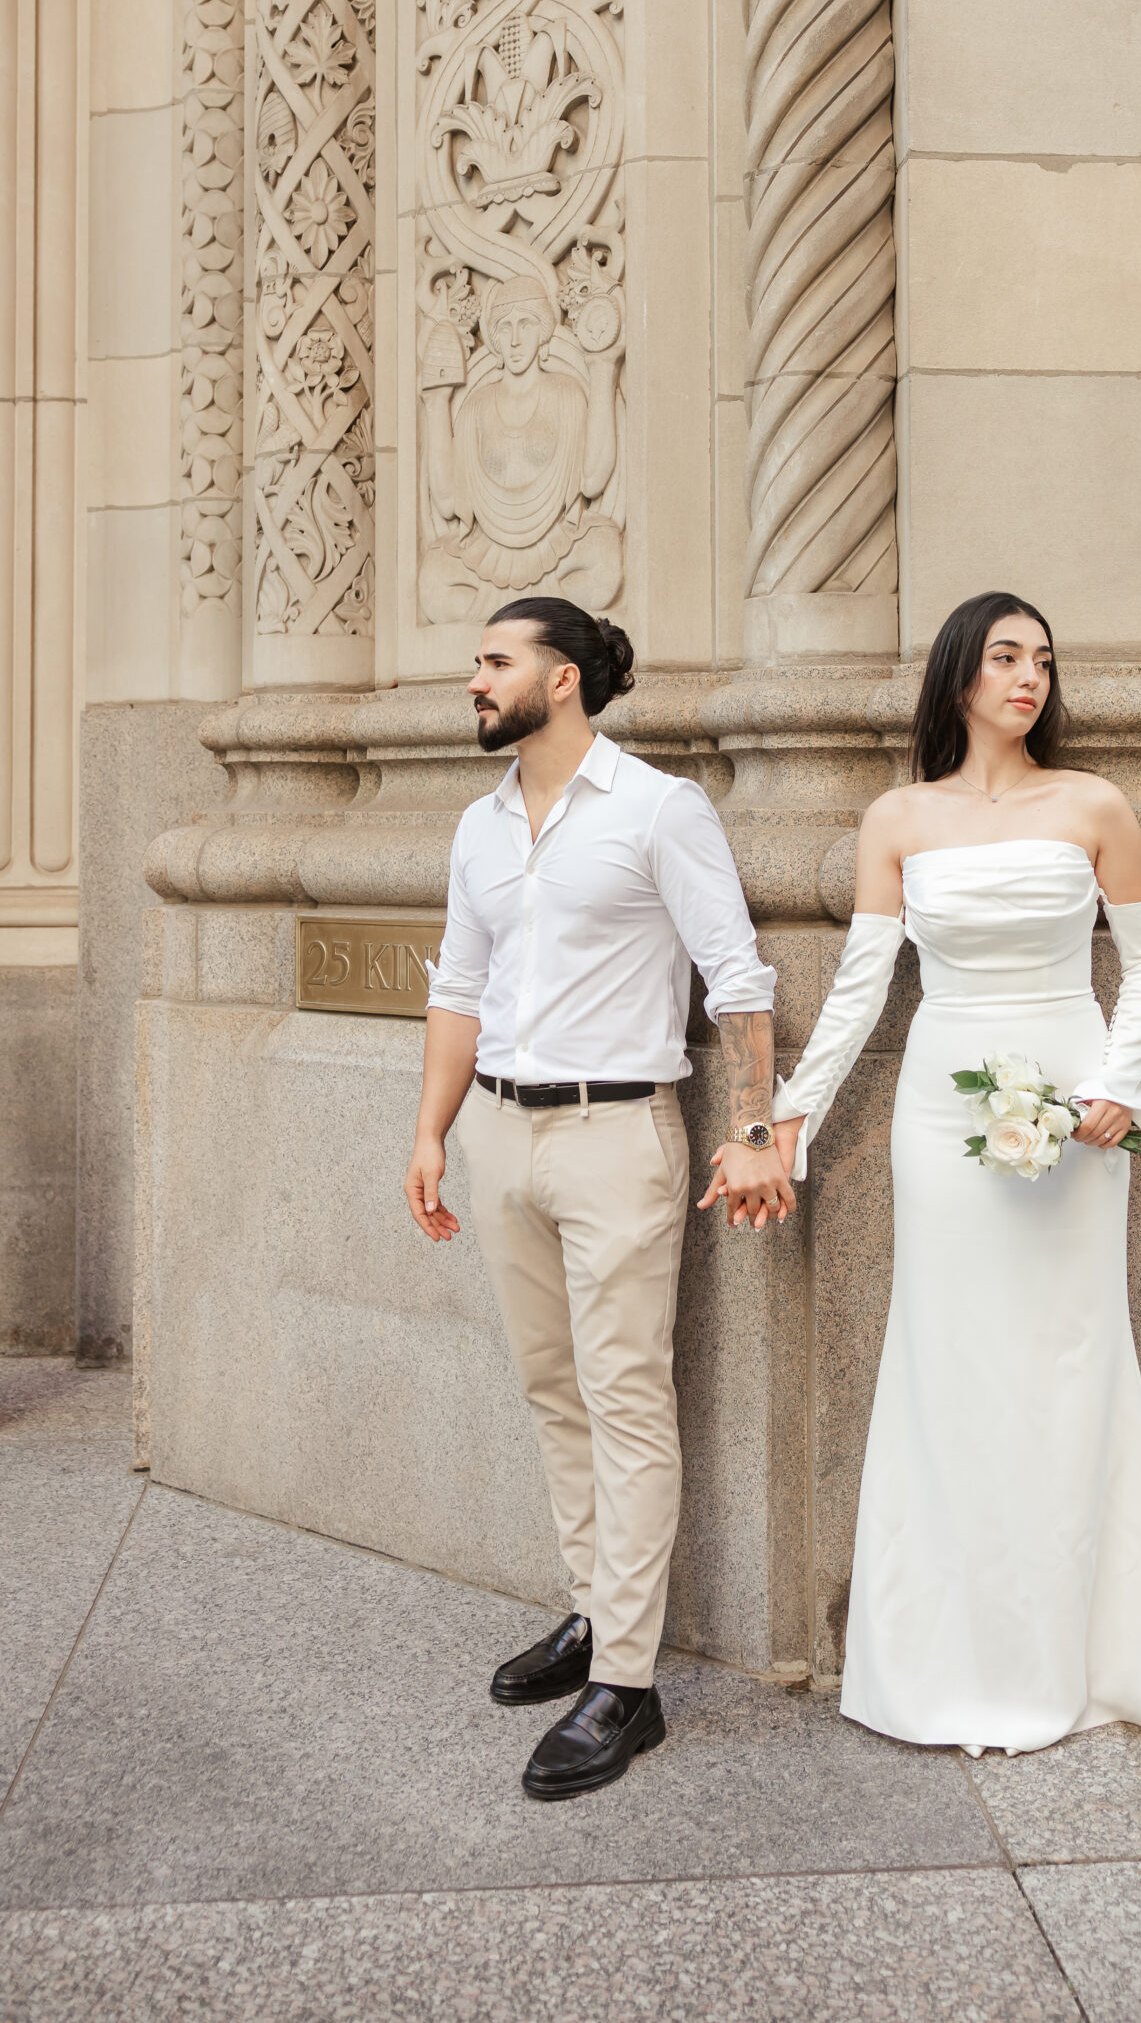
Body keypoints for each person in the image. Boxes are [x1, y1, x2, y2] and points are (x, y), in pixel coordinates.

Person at [704, 590, 1141, 1754]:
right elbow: (860, 994)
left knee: (1073, 1357)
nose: (1028, 676)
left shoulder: (1094, 805)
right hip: (941, 1108)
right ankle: (944, 1660)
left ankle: (1080, 1657)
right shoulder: (898, 818)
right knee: (947, 1359)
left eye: (1042, 657)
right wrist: (785, 1124)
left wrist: (1116, 1084)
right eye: (1004, 656)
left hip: (1074, 1104)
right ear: (959, 676)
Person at [405, 595, 793, 1798]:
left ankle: (627, 1682)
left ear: (561, 679)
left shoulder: (659, 807)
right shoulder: (479, 826)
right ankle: (590, 1611)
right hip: (501, 1134)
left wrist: (757, 1126)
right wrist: (429, 1130)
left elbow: (737, 978)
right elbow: (459, 987)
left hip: (620, 1132)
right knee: (551, 1386)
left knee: (626, 1397)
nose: (475, 679)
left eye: (495, 661)